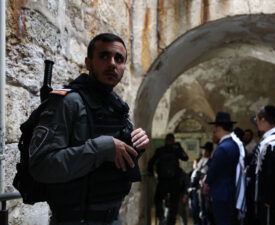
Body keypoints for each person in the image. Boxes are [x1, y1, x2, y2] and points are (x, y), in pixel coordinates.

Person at [28, 33, 150, 224]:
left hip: (113, 218)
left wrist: (136, 146)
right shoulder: (68, 102)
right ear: (88, 62)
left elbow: (116, 161)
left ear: (124, 66)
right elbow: (42, 166)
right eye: (104, 56)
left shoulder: (117, 106)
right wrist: (100, 148)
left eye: (119, 59)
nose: (112, 64)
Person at [203, 112, 246, 225]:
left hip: (221, 194)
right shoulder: (233, 144)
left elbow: (213, 170)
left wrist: (206, 183)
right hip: (231, 191)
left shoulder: (223, 148)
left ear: (218, 128)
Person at [147, 133, 189, 225]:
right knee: (174, 204)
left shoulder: (160, 150)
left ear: (165, 140)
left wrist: (151, 173)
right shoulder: (176, 151)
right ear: (173, 140)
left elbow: (151, 162)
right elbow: (186, 158)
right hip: (174, 182)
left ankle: (161, 217)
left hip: (162, 181)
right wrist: (180, 148)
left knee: (158, 199)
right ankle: (171, 222)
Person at [188, 142, 213, 225]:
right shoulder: (199, 160)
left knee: (204, 212)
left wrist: (197, 170)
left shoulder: (211, 162)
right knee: (194, 211)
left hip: (203, 190)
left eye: (205, 150)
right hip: (194, 189)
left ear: (209, 152)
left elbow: (204, 174)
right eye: (203, 150)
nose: (203, 152)